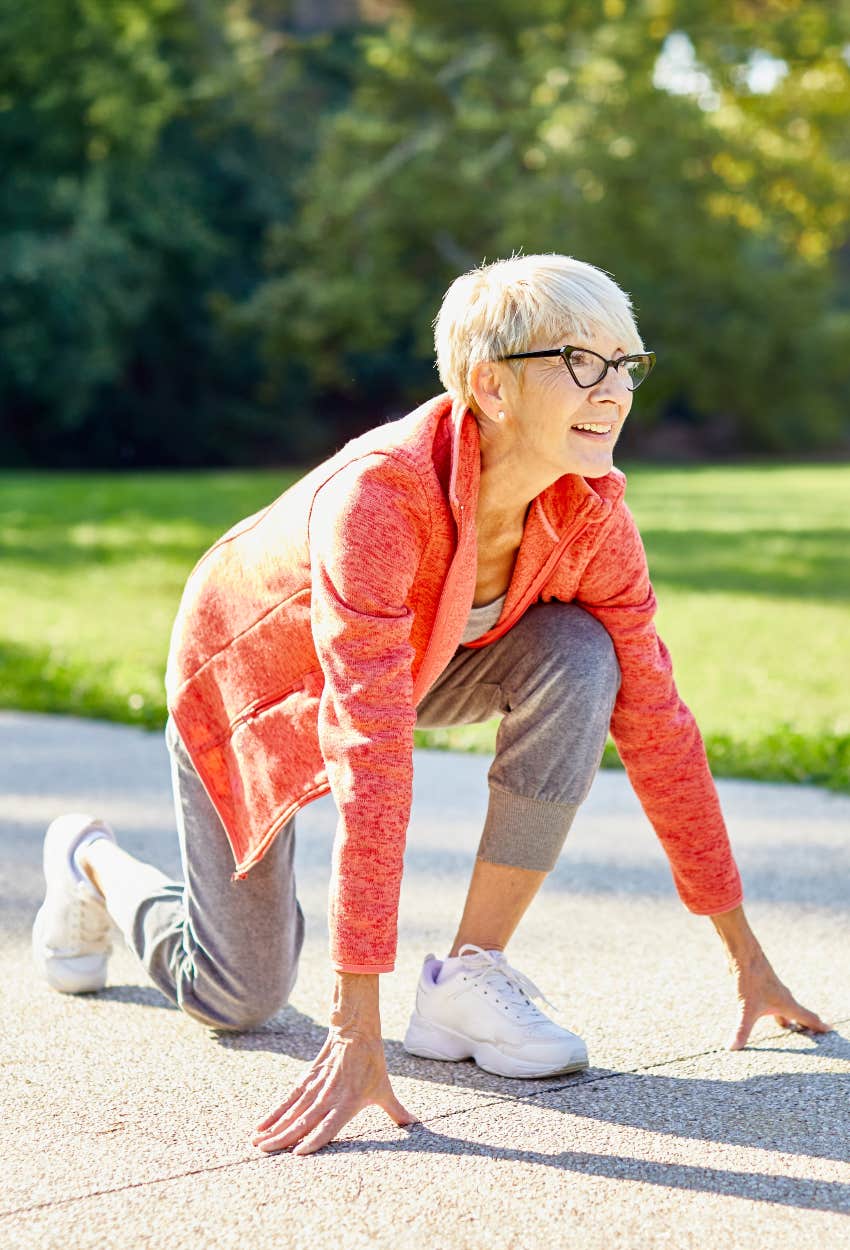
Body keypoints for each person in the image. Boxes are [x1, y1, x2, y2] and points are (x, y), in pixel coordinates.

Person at [32, 253, 829, 1157]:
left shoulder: (593, 512)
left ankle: (467, 974)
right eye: (581, 361)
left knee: (581, 652)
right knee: (238, 999)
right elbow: (371, 760)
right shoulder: (379, 500)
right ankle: (92, 861)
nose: (613, 390)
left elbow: (658, 727)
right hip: (254, 680)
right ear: (490, 384)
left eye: (627, 364)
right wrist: (353, 1026)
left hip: (430, 658)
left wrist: (746, 957)